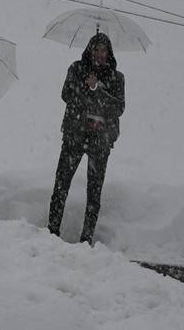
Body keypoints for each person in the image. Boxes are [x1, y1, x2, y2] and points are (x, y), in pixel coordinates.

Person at [48, 32, 125, 244]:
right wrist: (85, 86)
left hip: (101, 139)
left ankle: (86, 238)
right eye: (96, 49)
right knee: (61, 184)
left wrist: (97, 89)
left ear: (109, 53)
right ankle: (52, 231)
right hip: (75, 135)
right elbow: (66, 95)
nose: (100, 54)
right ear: (89, 50)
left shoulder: (116, 78)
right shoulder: (76, 68)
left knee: (94, 191)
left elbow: (118, 107)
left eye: (104, 50)